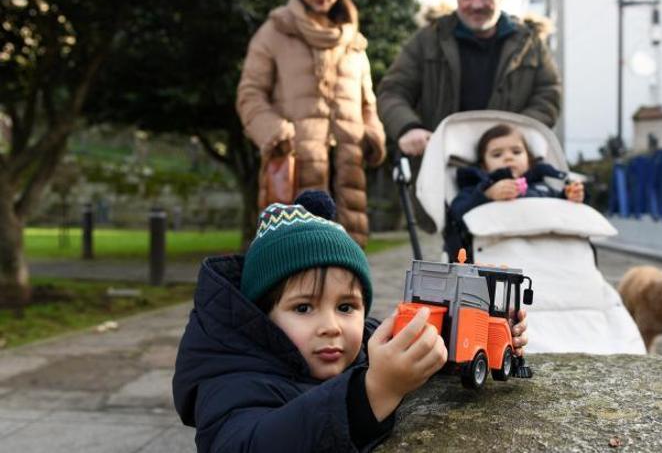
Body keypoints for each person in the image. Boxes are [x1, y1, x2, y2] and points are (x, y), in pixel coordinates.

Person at [172, 191, 531, 452]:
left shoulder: (360, 346)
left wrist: (481, 330)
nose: (331, 326)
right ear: (263, 314)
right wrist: (374, 392)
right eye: (303, 308)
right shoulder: (232, 380)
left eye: (346, 307)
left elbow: (408, 350)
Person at [377, 0, 562, 224]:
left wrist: (517, 133)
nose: (477, 4)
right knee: (455, 250)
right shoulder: (428, 40)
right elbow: (393, 91)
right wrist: (408, 128)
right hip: (448, 171)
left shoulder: (529, 43)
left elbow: (549, 92)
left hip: (510, 171)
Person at [236, 0, 386, 247]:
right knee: (294, 266)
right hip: (296, 167)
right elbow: (249, 94)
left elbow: (369, 105)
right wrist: (276, 132)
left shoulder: (354, 42)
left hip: (347, 172)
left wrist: (372, 134)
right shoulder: (274, 32)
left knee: (346, 268)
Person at [445, 124, 584, 259]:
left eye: (516, 152)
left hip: (545, 250)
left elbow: (561, 214)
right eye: (497, 154)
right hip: (498, 252)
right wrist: (487, 195)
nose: (508, 157)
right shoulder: (477, 188)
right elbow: (457, 212)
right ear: (484, 166)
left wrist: (569, 196)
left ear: (529, 159)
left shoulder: (542, 186)